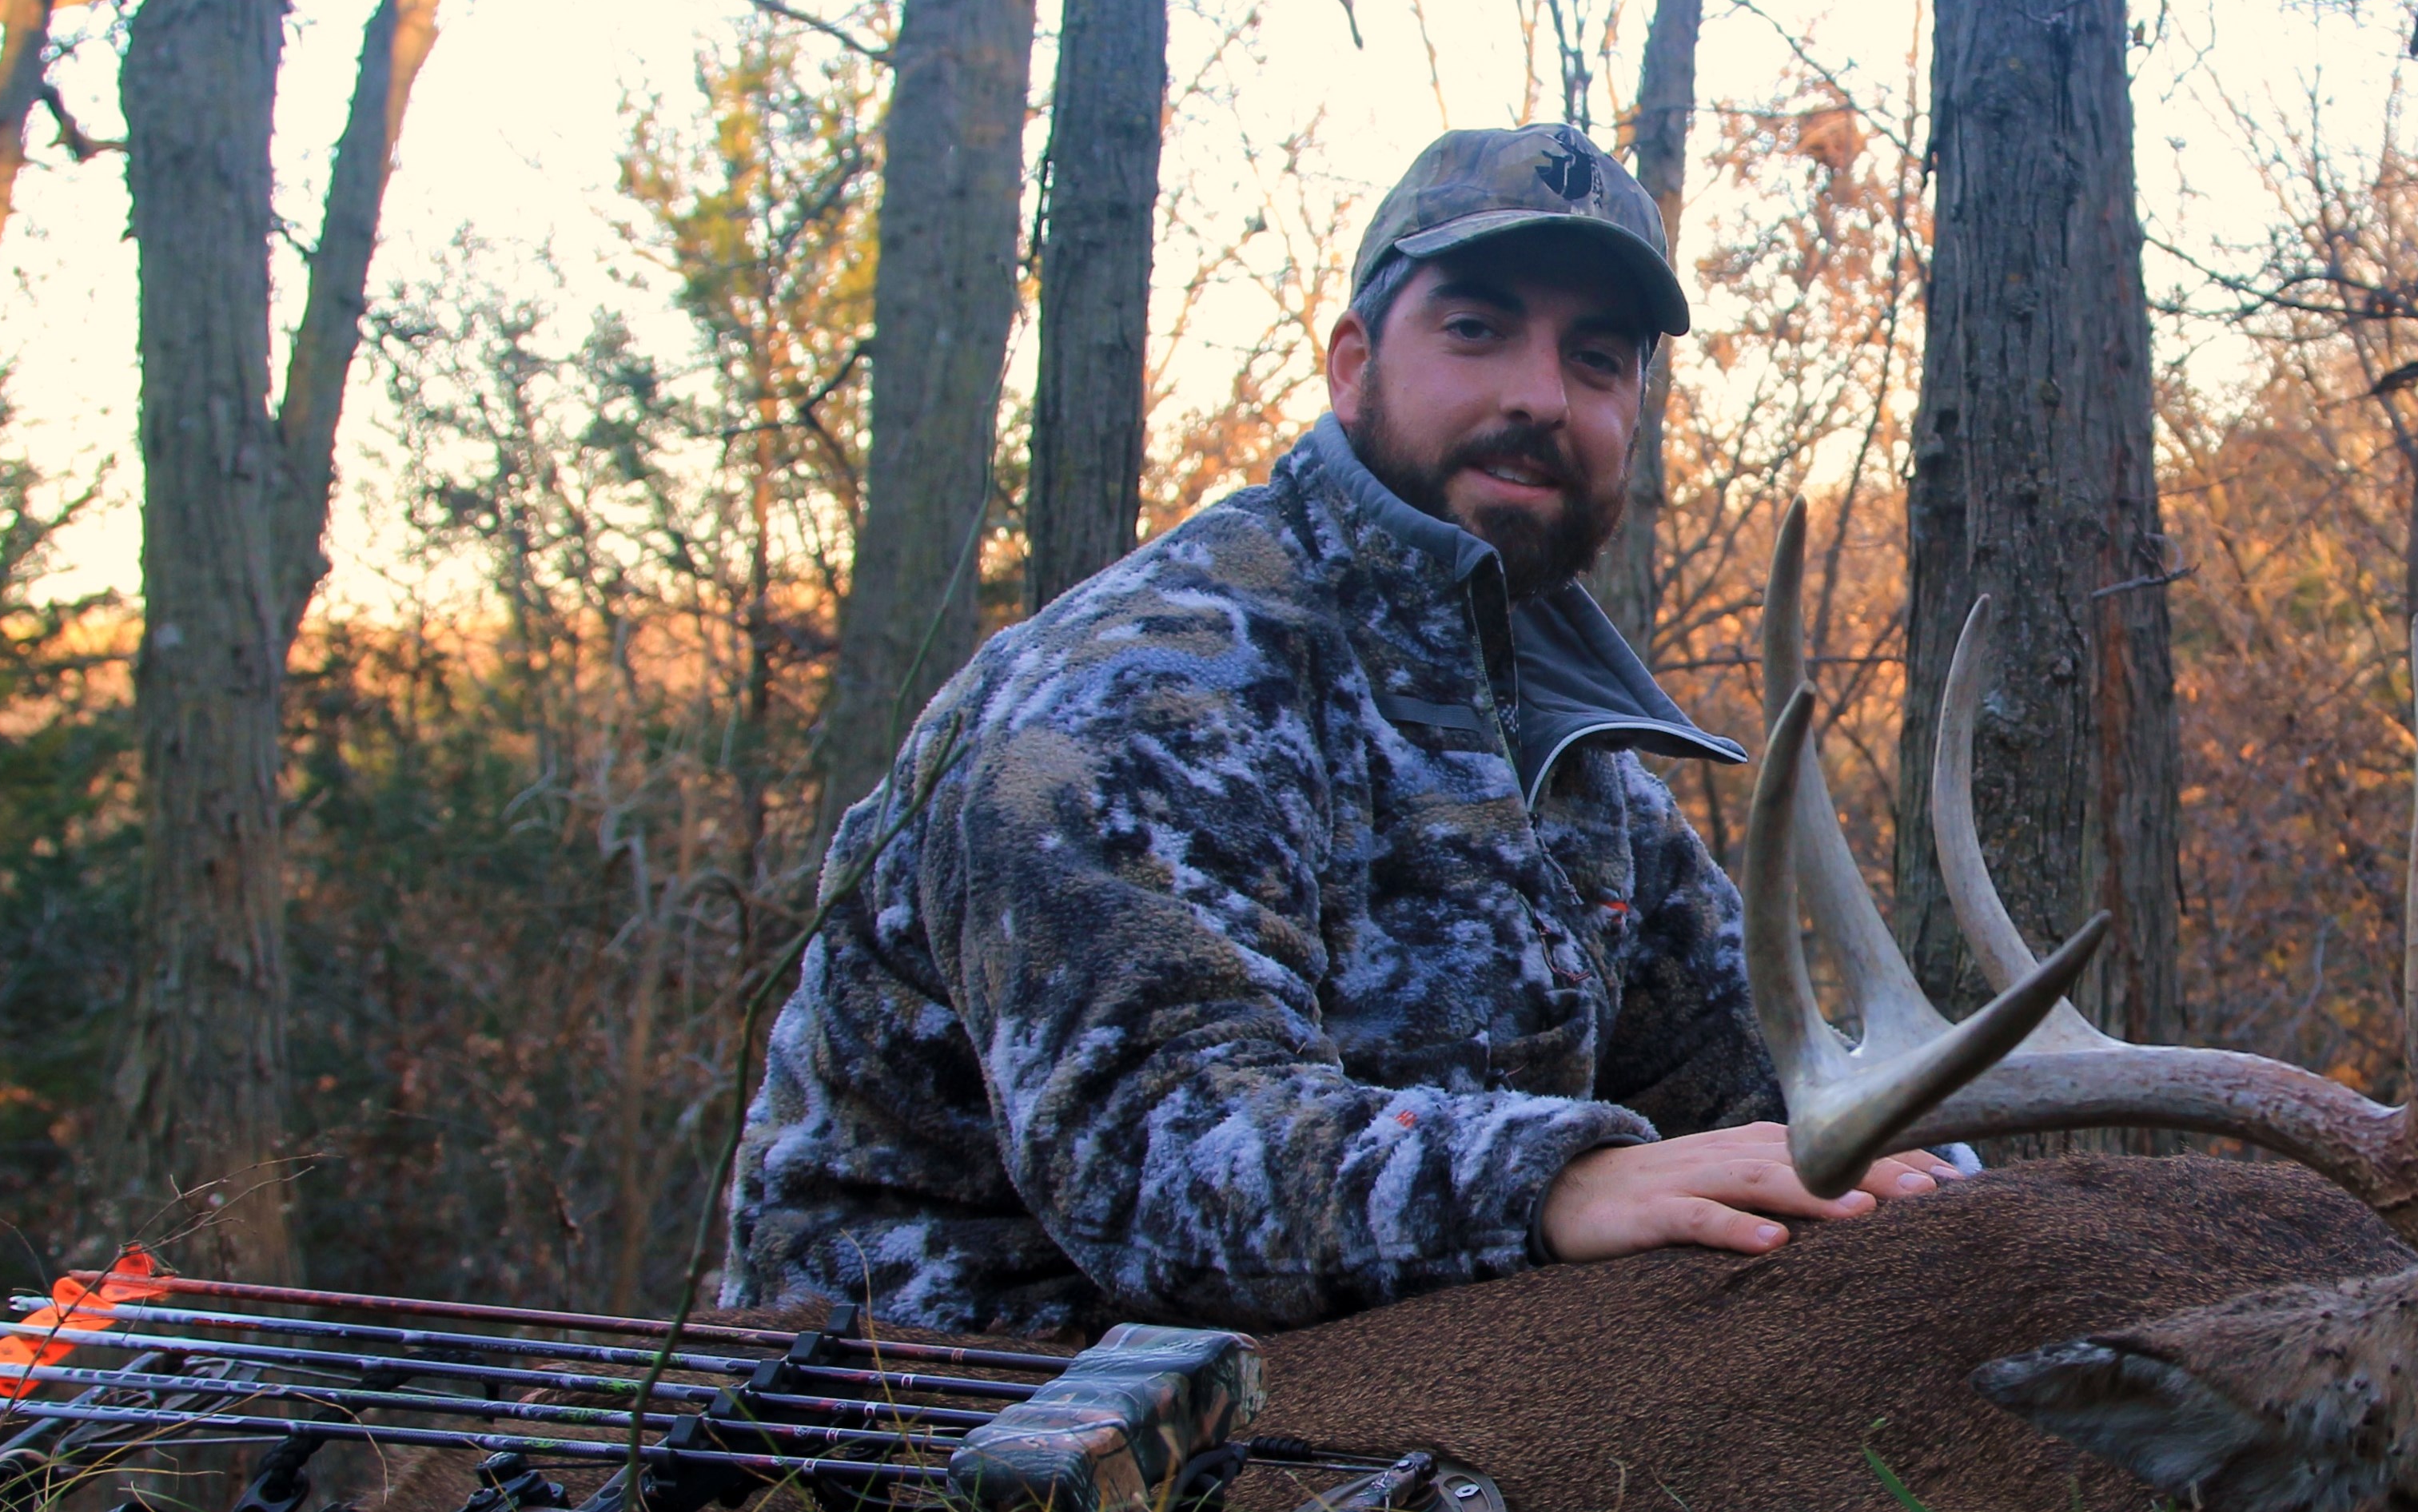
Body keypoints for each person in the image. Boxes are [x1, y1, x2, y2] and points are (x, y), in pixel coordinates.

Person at [725, 125, 1948, 1334]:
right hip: (940, 1430)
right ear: (1353, 363)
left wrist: (1961, 1208)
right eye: (1475, 330)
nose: (1538, 396)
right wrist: (1559, 1180)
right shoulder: (1146, 687)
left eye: (1596, 360)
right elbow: (1161, 1160)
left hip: (1374, 1390)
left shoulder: (1564, 750)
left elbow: (1760, 1087)